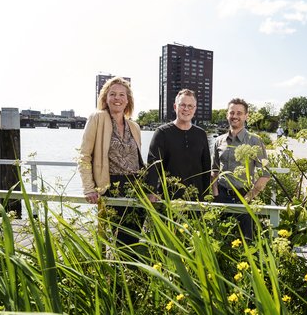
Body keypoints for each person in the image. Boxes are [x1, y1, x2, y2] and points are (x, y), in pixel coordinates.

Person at [78, 76, 145, 247]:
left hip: (135, 188)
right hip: (111, 187)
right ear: (105, 98)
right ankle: (112, 272)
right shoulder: (97, 118)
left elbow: (138, 160)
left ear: (128, 100)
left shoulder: (134, 126)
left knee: (132, 240)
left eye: (122, 95)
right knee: (108, 237)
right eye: (112, 94)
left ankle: (130, 272)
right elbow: (84, 156)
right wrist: (89, 188)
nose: (117, 98)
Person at [211, 98, 270, 239]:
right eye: (232, 112)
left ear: (246, 116)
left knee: (246, 240)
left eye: (239, 113)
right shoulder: (219, 141)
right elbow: (214, 170)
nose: (235, 116)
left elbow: (265, 174)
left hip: (245, 197)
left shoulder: (255, 141)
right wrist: (216, 195)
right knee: (221, 239)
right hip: (222, 195)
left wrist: (248, 197)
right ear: (227, 115)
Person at [146, 89, 211, 201]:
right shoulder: (162, 133)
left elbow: (206, 167)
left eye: (190, 106)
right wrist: (151, 192)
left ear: (195, 109)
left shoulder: (201, 134)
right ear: (175, 107)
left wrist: (206, 194)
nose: (186, 109)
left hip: (196, 199)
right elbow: (153, 165)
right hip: (168, 198)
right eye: (182, 105)